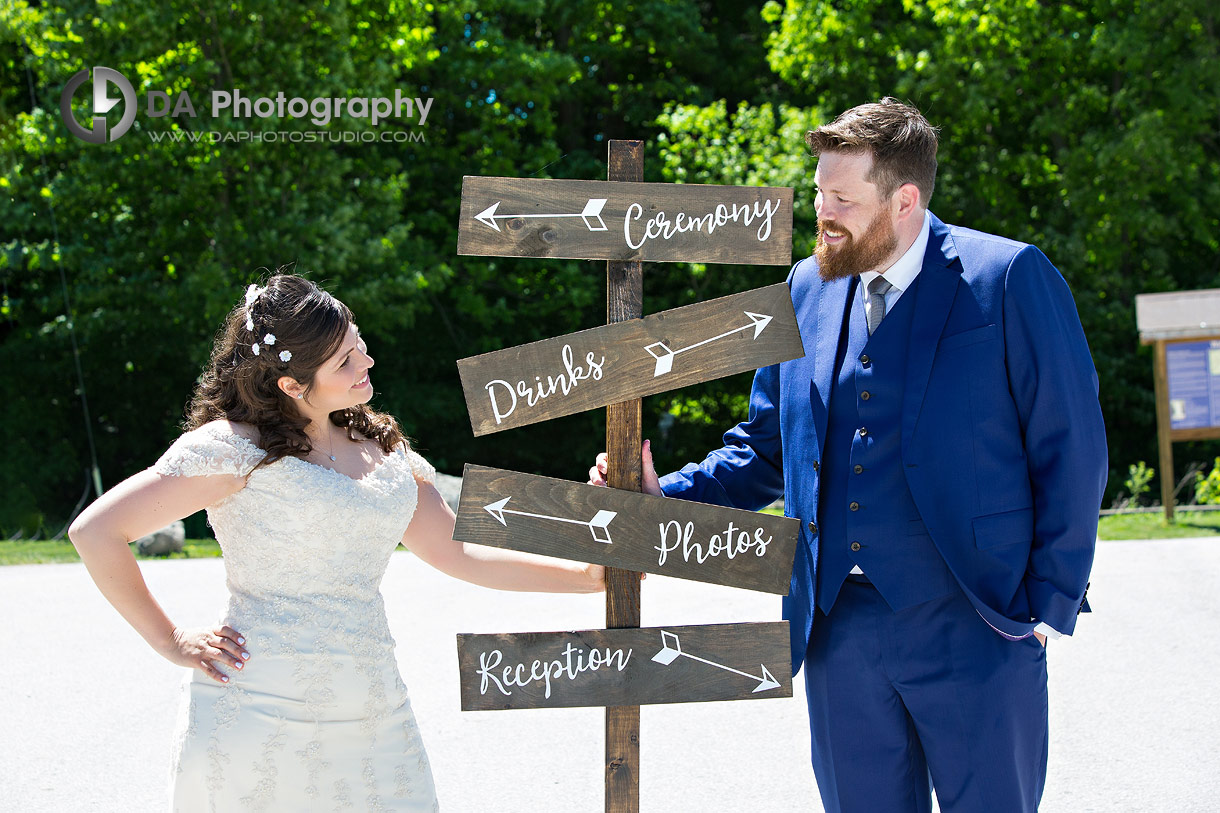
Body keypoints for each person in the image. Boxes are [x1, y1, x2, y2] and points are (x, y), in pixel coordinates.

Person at [591, 98, 1107, 812]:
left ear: (904, 199)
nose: (822, 211)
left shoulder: (1008, 277)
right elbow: (767, 446)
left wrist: (1044, 608)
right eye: (816, 192)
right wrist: (661, 497)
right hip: (837, 631)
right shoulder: (805, 287)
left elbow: (1071, 447)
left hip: (978, 620)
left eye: (841, 197)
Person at [69, 274, 607, 811]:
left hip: (375, 711)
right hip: (260, 712)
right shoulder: (234, 449)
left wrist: (583, 579)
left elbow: (456, 550)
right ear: (291, 384)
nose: (366, 363)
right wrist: (172, 640)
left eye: (361, 346)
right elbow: (96, 532)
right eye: (345, 361)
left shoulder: (381, 447)